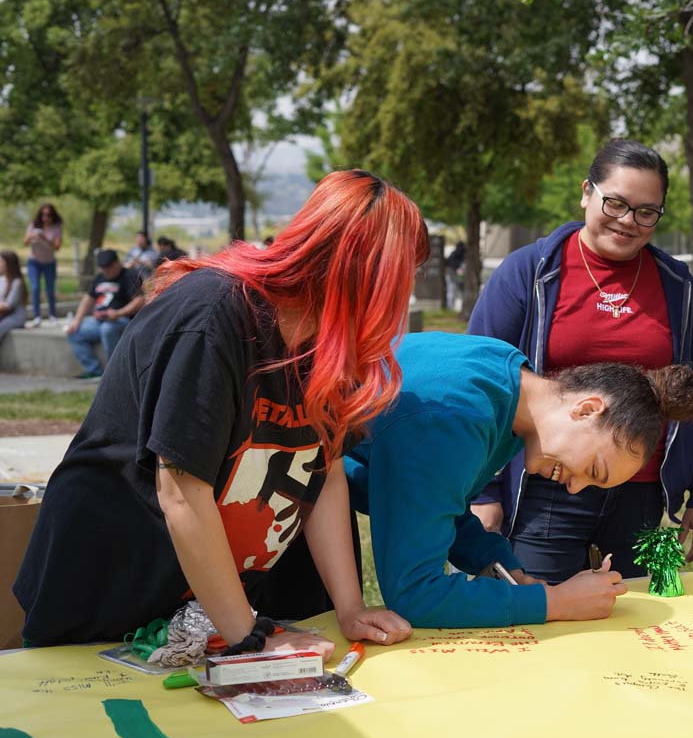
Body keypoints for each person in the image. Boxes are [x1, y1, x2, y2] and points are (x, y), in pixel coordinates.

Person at [15, 169, 424, 657]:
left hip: (208, 610)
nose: (403, 296)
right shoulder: (215, 317)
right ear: (365, 272)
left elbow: (325, 472)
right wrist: (250, 639)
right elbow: (182, 495)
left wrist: (349, 606)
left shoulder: (332, 345)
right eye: (403, 276)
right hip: (108, 594)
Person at [467, 138, 693, 584]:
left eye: (647, 212)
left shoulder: (677, 285)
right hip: (546, 487)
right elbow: (483, 385)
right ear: (587, 192)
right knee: (538, 613)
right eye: (616, 204)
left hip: (644, 491)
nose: (628, 222)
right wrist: (484, 490)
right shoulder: (529, 272)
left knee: (639, 620)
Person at [345, 331, 693, 627]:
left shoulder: (508, 382)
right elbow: (415, 594)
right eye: (593, 471)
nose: (574, 486)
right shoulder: (455, 417)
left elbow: (440, 498)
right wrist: (553, 603)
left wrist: (502, 565)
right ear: (586, 409)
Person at [64, 249, 145, 380]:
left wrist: (118, 313)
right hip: (100, 320)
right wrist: (76, 321)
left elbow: (139, 300)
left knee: (108, 329)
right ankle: (94, 371)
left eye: (108, 267)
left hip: (123, 320)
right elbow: (88, 299)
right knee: (74, 332)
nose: (106, 271)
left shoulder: (129, 275)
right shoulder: (99, 278)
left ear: (117, 263)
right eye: (103, 268)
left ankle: (114, 373)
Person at [22, 203, 62, 327]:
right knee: (35, 288)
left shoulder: (56, 227)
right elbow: (25, 242)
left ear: (52, 216)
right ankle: (37, 317)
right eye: (43, 214)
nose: (46, 217)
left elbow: (57, 247)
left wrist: (44, 238)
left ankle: (52, 315)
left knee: (50, 290)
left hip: (49, 262)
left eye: (49, 215)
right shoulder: (33, 225)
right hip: (34, 262)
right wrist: (31, 235)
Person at [0, 250, 27, 342]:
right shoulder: (1, 280)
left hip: (15, 317)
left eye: (1, 261)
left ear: (8, 264)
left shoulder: (17, 282)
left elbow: (8, 306)